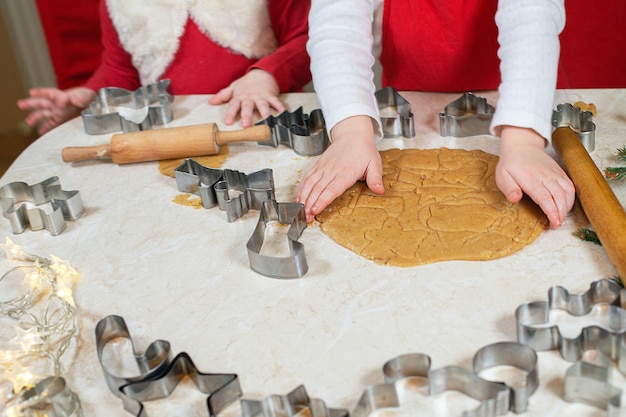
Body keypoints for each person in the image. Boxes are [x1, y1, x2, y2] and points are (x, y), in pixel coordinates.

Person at [296, 0, 575, 230]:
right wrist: (351, 132)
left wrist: (524, 139)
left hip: (519, 99)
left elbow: (531, 14)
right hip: (410, 101)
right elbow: (338, 20)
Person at [18, 0, 311, 135]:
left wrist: (265, 75)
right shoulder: (120, 5)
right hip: (171, 133)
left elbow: (308, 39)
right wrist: (88, 96)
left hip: (260, 125)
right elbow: (121, 70)